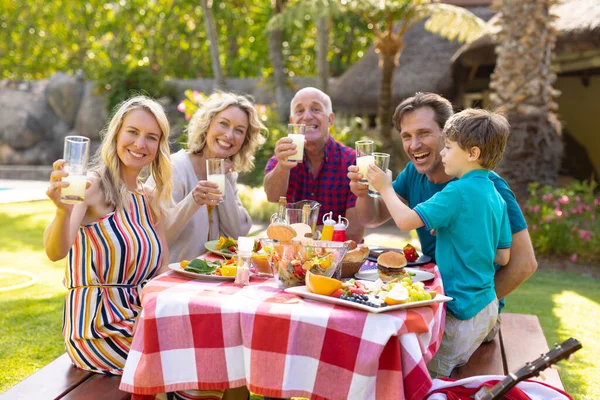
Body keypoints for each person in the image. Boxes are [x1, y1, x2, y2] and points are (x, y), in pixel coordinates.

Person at [349, 92, 537, 323]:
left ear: (447, 133)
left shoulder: (491, 188)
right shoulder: (413, 174)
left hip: (461, 311)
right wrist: (363, 193)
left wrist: (472, 310)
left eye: (424, 133)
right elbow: (373, 218)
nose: (414, 144)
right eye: (406, 136)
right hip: (434, 298)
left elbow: (525, 264)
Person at [366, 108, 513, 378]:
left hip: (461, 310)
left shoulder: (456, 190)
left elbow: (406, 221)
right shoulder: (495, 194)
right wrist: (455, 232)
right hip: (487, 306)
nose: (443, 154)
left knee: (430, 379)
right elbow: (502, 255)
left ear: (473, 153)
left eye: (448, 147)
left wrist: (385, 188)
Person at [44, 96, 172, 375]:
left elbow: (161, 269)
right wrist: (63, 212)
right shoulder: (90, 186)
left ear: (159, 147)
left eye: (151, 137)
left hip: (139, 319)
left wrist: (150, 315)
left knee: (216, 362)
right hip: (97, 329)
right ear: (116, 134)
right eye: (133, 132)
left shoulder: (149, 198)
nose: (140, 144)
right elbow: (55, 252)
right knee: (190, 374)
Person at [150, 92, 267, 263]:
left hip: (210, 277)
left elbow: (238, 232)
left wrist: (223, 179)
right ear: (207, 125)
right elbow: (157, 234)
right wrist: (193, 200)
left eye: (239, 130)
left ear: (245, 140)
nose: (229, 135)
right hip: (171, 278)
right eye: (223, 124)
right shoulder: (174, 167)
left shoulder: (227, 175)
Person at [263, 87, 364, 242]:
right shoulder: (283, 158)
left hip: (339, 260)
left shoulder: (352, 161)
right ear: (292, 121)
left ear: (330, 119)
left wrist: (299, 233)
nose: (307, 117)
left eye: (316, 109)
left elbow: (353, 233)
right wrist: (282, 167)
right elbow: (272, 196)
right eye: (299, 111)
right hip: (293, 259)